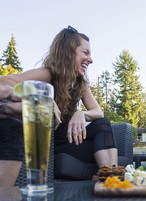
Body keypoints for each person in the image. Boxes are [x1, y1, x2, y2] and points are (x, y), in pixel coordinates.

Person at [0, 25, 118, 182]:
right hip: (50, 140)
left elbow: (98, 112)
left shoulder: (80, 83)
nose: (90, 59)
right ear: (69, 52)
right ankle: (108, 175)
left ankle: (110, 177)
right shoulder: (48, 74)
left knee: (102, 124)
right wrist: (42, 97)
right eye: (85, 52)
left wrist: (81, 113)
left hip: (69, 139)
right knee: (66, 161)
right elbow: (5, 81)